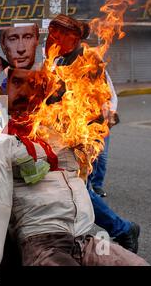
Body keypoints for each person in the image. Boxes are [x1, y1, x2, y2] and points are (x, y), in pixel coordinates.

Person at [0, 67, 148, 266]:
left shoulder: (63, 134)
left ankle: (124, 229)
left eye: (34, 86)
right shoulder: (1, 147)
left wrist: (101, 117)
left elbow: (90, 144)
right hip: (43, 244)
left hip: (82, 240)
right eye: (17, 85)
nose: (27, 92)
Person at [44, 14, 140, 253]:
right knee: (73, 189)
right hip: (65, 136)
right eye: (53, 32)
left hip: (85, 135)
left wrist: (101, 120)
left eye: (61, 33)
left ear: (74, 37)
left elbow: (100, 99)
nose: (55, 37)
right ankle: (116, 230)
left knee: (79, 190)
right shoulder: (58, 62)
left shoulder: (89, 60)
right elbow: (53, 100)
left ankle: (123, 229)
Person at [88, 71, 119, 198]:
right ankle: (88, 185)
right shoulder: (80, 70)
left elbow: (113, 96)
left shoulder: (104, 73)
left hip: (103, 122)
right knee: (91, 155)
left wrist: (112, 112)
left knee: (102, 156)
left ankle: (97, 185)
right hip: (87, 121)